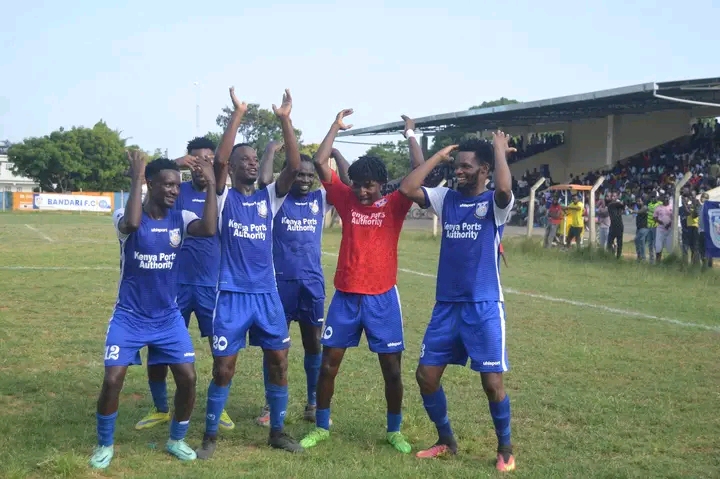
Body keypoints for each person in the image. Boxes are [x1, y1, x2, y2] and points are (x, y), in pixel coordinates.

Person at [299, 110, 425, 454]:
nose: (362, 191)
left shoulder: (395, 203)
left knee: (392, 371)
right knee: (329, 365)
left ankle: (394, 430)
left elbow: (418, 172)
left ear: (381, 185)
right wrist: (335, 128)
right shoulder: (344, 197)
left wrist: (410, 135)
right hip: (345, 298)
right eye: (357, 184)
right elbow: (321, 161)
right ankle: (322, 426)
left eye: (368, 185)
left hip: (382, 298)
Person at [397, 131, 517, 472]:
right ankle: (446, 440)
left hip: (483, 306)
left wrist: (498, 153)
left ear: (484, 171)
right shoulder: (445, 198)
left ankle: (505, 447)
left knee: (492, 384)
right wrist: (438, 157)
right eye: (458, 165)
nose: (459, 171)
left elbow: (506, 190)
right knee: (426, 376)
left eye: (466, 166)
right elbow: (407, 189)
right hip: (446, 307)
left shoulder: (494, 204)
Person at [90, 153, 218, 469]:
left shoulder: (183, 219)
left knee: (188, 377)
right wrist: (136, 177)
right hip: (129, 316)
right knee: (113, 379)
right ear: (150, 184)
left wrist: (213, 185)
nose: (175, 191)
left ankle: (176, 439)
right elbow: (132, 223)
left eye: (178, 185)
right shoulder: (125, 213)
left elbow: (210, 228)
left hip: (167, 317)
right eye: (169, 185)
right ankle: (105, 444)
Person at [195, 87, 303, 458]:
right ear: (236, 166)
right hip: (232, 295)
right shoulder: (224, 198)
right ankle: (210, 436)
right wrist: (238, 114)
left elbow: (292, 166)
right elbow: (219, 163)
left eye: (256, 158)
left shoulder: (267, 199)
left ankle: (277, 430)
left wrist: (286, 120)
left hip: (267, 295)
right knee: (224, 368)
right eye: (247, 159)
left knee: (279, 361)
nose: (253, 163)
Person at [135, 136, 235, 433]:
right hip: (173, 285)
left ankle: (220, 406)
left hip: (209, 284)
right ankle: (160, 407)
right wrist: (176, 164)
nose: (201, 165)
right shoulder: (174, 190)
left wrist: (214, 176)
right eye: (196, 160)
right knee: (158, 346)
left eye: (207, 159)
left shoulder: (222, 194)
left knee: (220, 348)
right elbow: (144, 199)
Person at [253, 138, 350, 427]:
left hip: (311, 283)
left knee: (314, 344)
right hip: (279, 284)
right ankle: (272, 405)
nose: (305, 179)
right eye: (299, 173)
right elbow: (264, 180)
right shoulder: (276, 198)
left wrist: (334, 152)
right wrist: (270, 150)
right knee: (274, 347)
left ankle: (313, 402)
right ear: (290, 174)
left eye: (311, 175)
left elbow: (347, 182)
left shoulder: (321, 199)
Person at [606, 192, 625, 258]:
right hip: (613, 226)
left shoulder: (618, 205)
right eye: (612, 196)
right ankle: (611, 255)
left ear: (617, 197)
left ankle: (618, 257)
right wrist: (620, 202)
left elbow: (623, 207)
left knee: (620, 243)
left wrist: (622, 204)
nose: (613, 197)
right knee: (609, 243)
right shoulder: (610, 205)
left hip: (619, 226)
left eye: (614, 196)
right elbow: (618, 204)